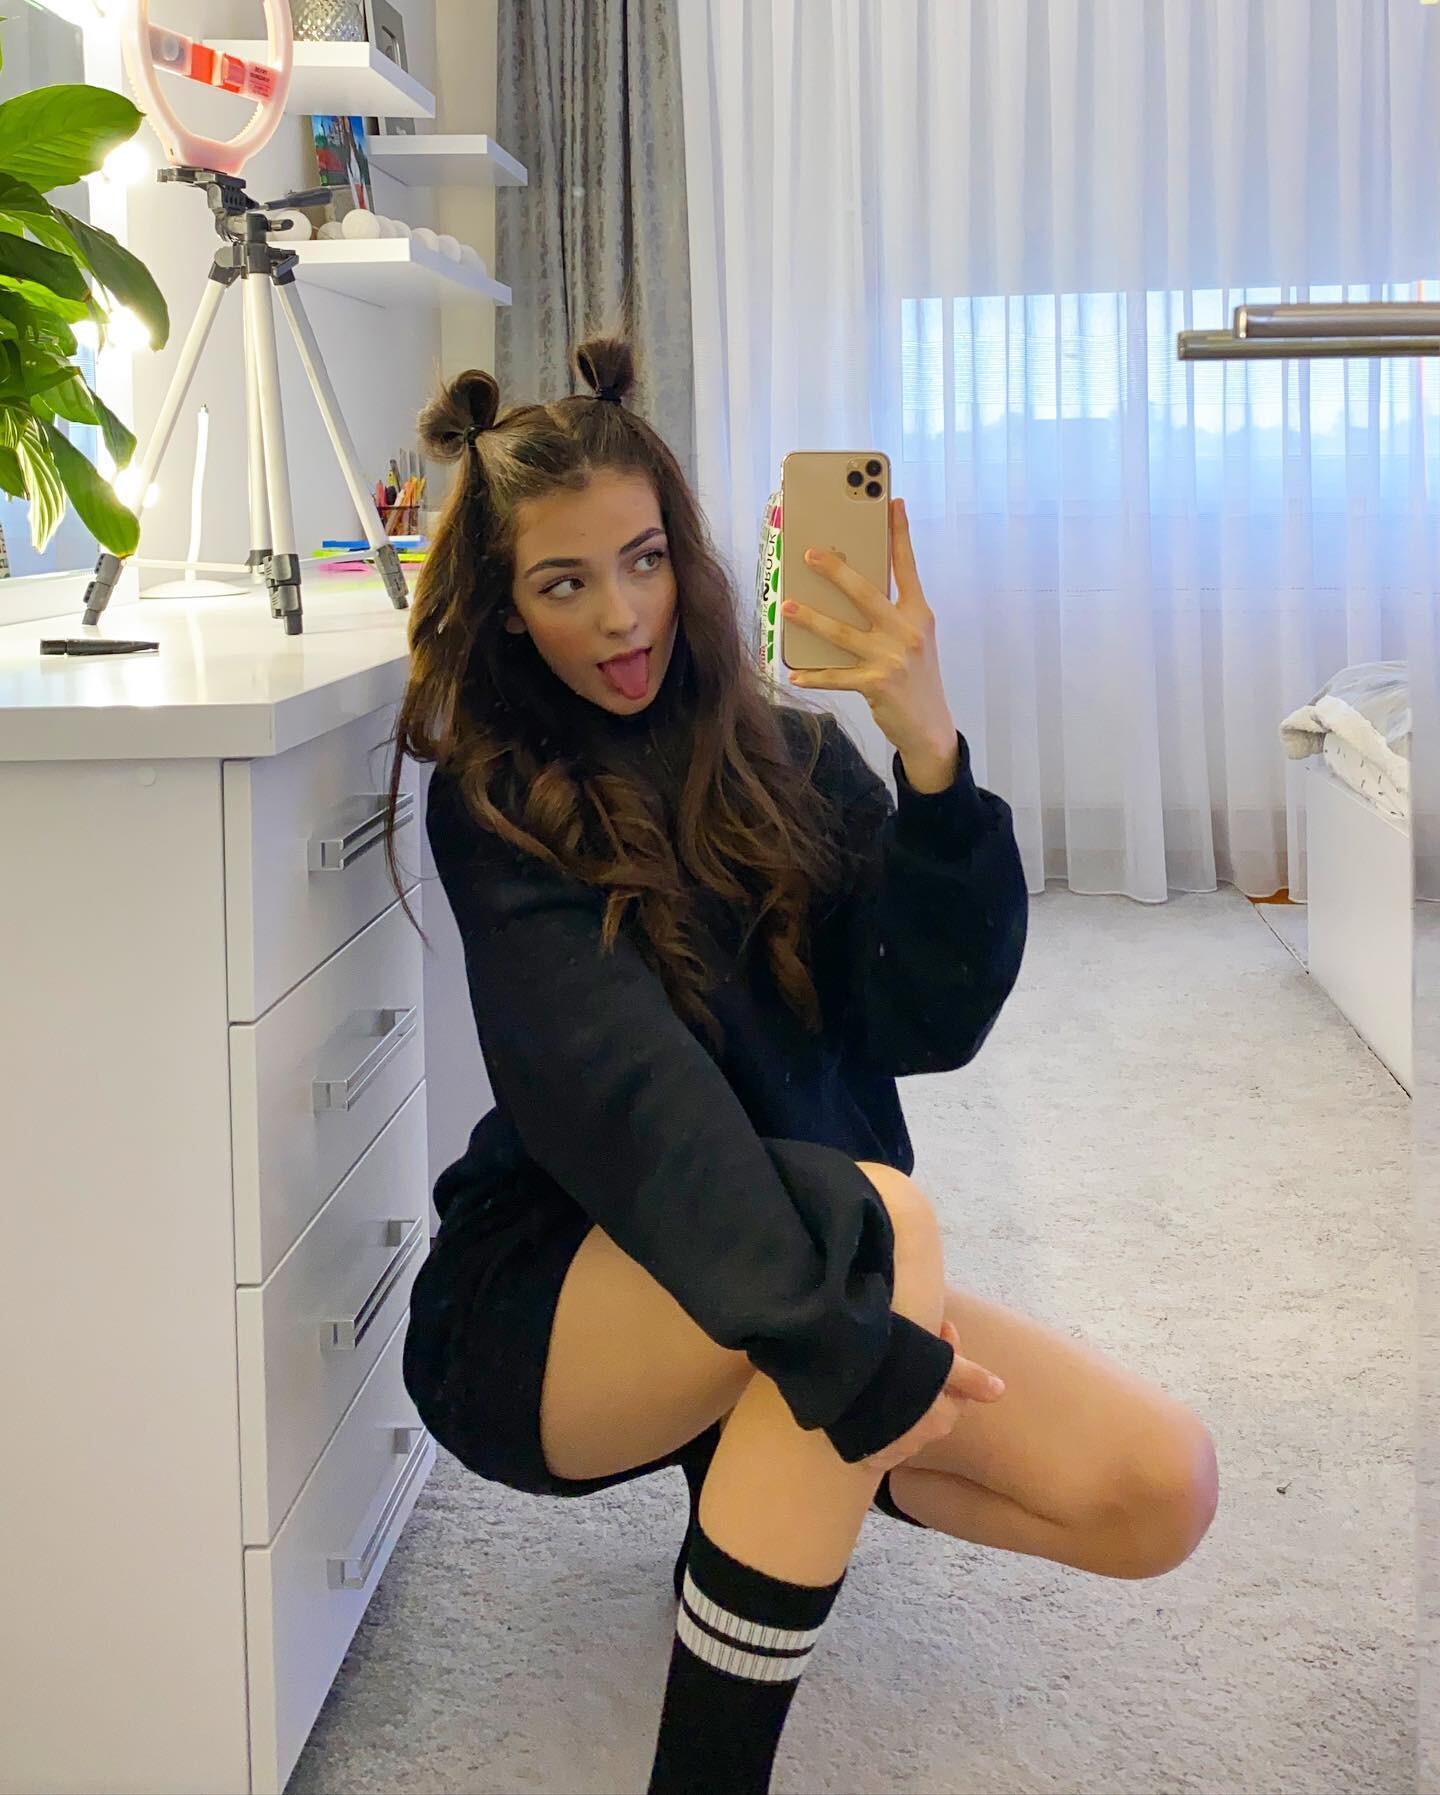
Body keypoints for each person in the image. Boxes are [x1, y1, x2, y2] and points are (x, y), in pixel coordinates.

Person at [383, 337, 1219, 1795]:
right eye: (564, 583)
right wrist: (852, 1348)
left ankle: (769, 1464)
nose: (620, 615)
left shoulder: (794, 756)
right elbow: (629, 1108)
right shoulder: (502, 801)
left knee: (1162, 1490)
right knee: (873, 1229)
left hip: (793, 1267)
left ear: (689, 558)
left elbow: (926, 1020)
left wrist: (932, 757)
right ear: (508, 609)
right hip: (550, 1302)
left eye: (645, 561)